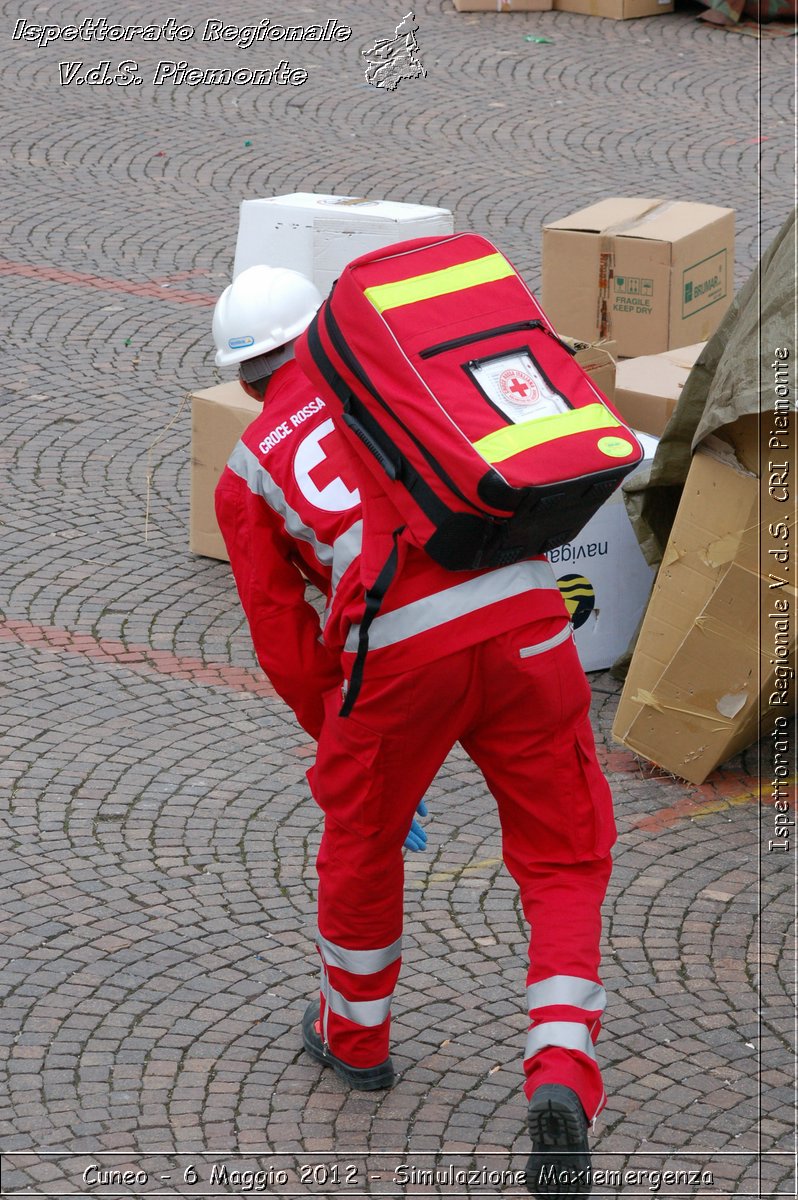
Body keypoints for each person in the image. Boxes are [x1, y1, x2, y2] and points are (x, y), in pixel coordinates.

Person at [213, 263, 616, 1199]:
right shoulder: (397, 370)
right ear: (326, 330)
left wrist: (338, 743)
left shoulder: (248, 471)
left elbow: (284, 643)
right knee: (564, 859)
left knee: (363, 842)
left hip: (396, 663)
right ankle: (560, 1072)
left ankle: (354, 1037)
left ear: (241, 381)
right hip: (525, 620)